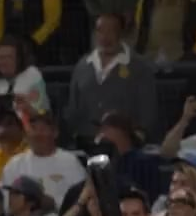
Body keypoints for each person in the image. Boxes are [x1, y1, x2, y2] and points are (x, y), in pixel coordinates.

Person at [64, 13, 158, 148]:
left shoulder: (139, 67)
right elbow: (73, 108)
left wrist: (137, 139)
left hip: (124, 146)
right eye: (101, 30)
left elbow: (148, 112)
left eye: (111, 31)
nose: (105, 37)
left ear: (122, 33)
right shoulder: (82, 65)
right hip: (86, 143)